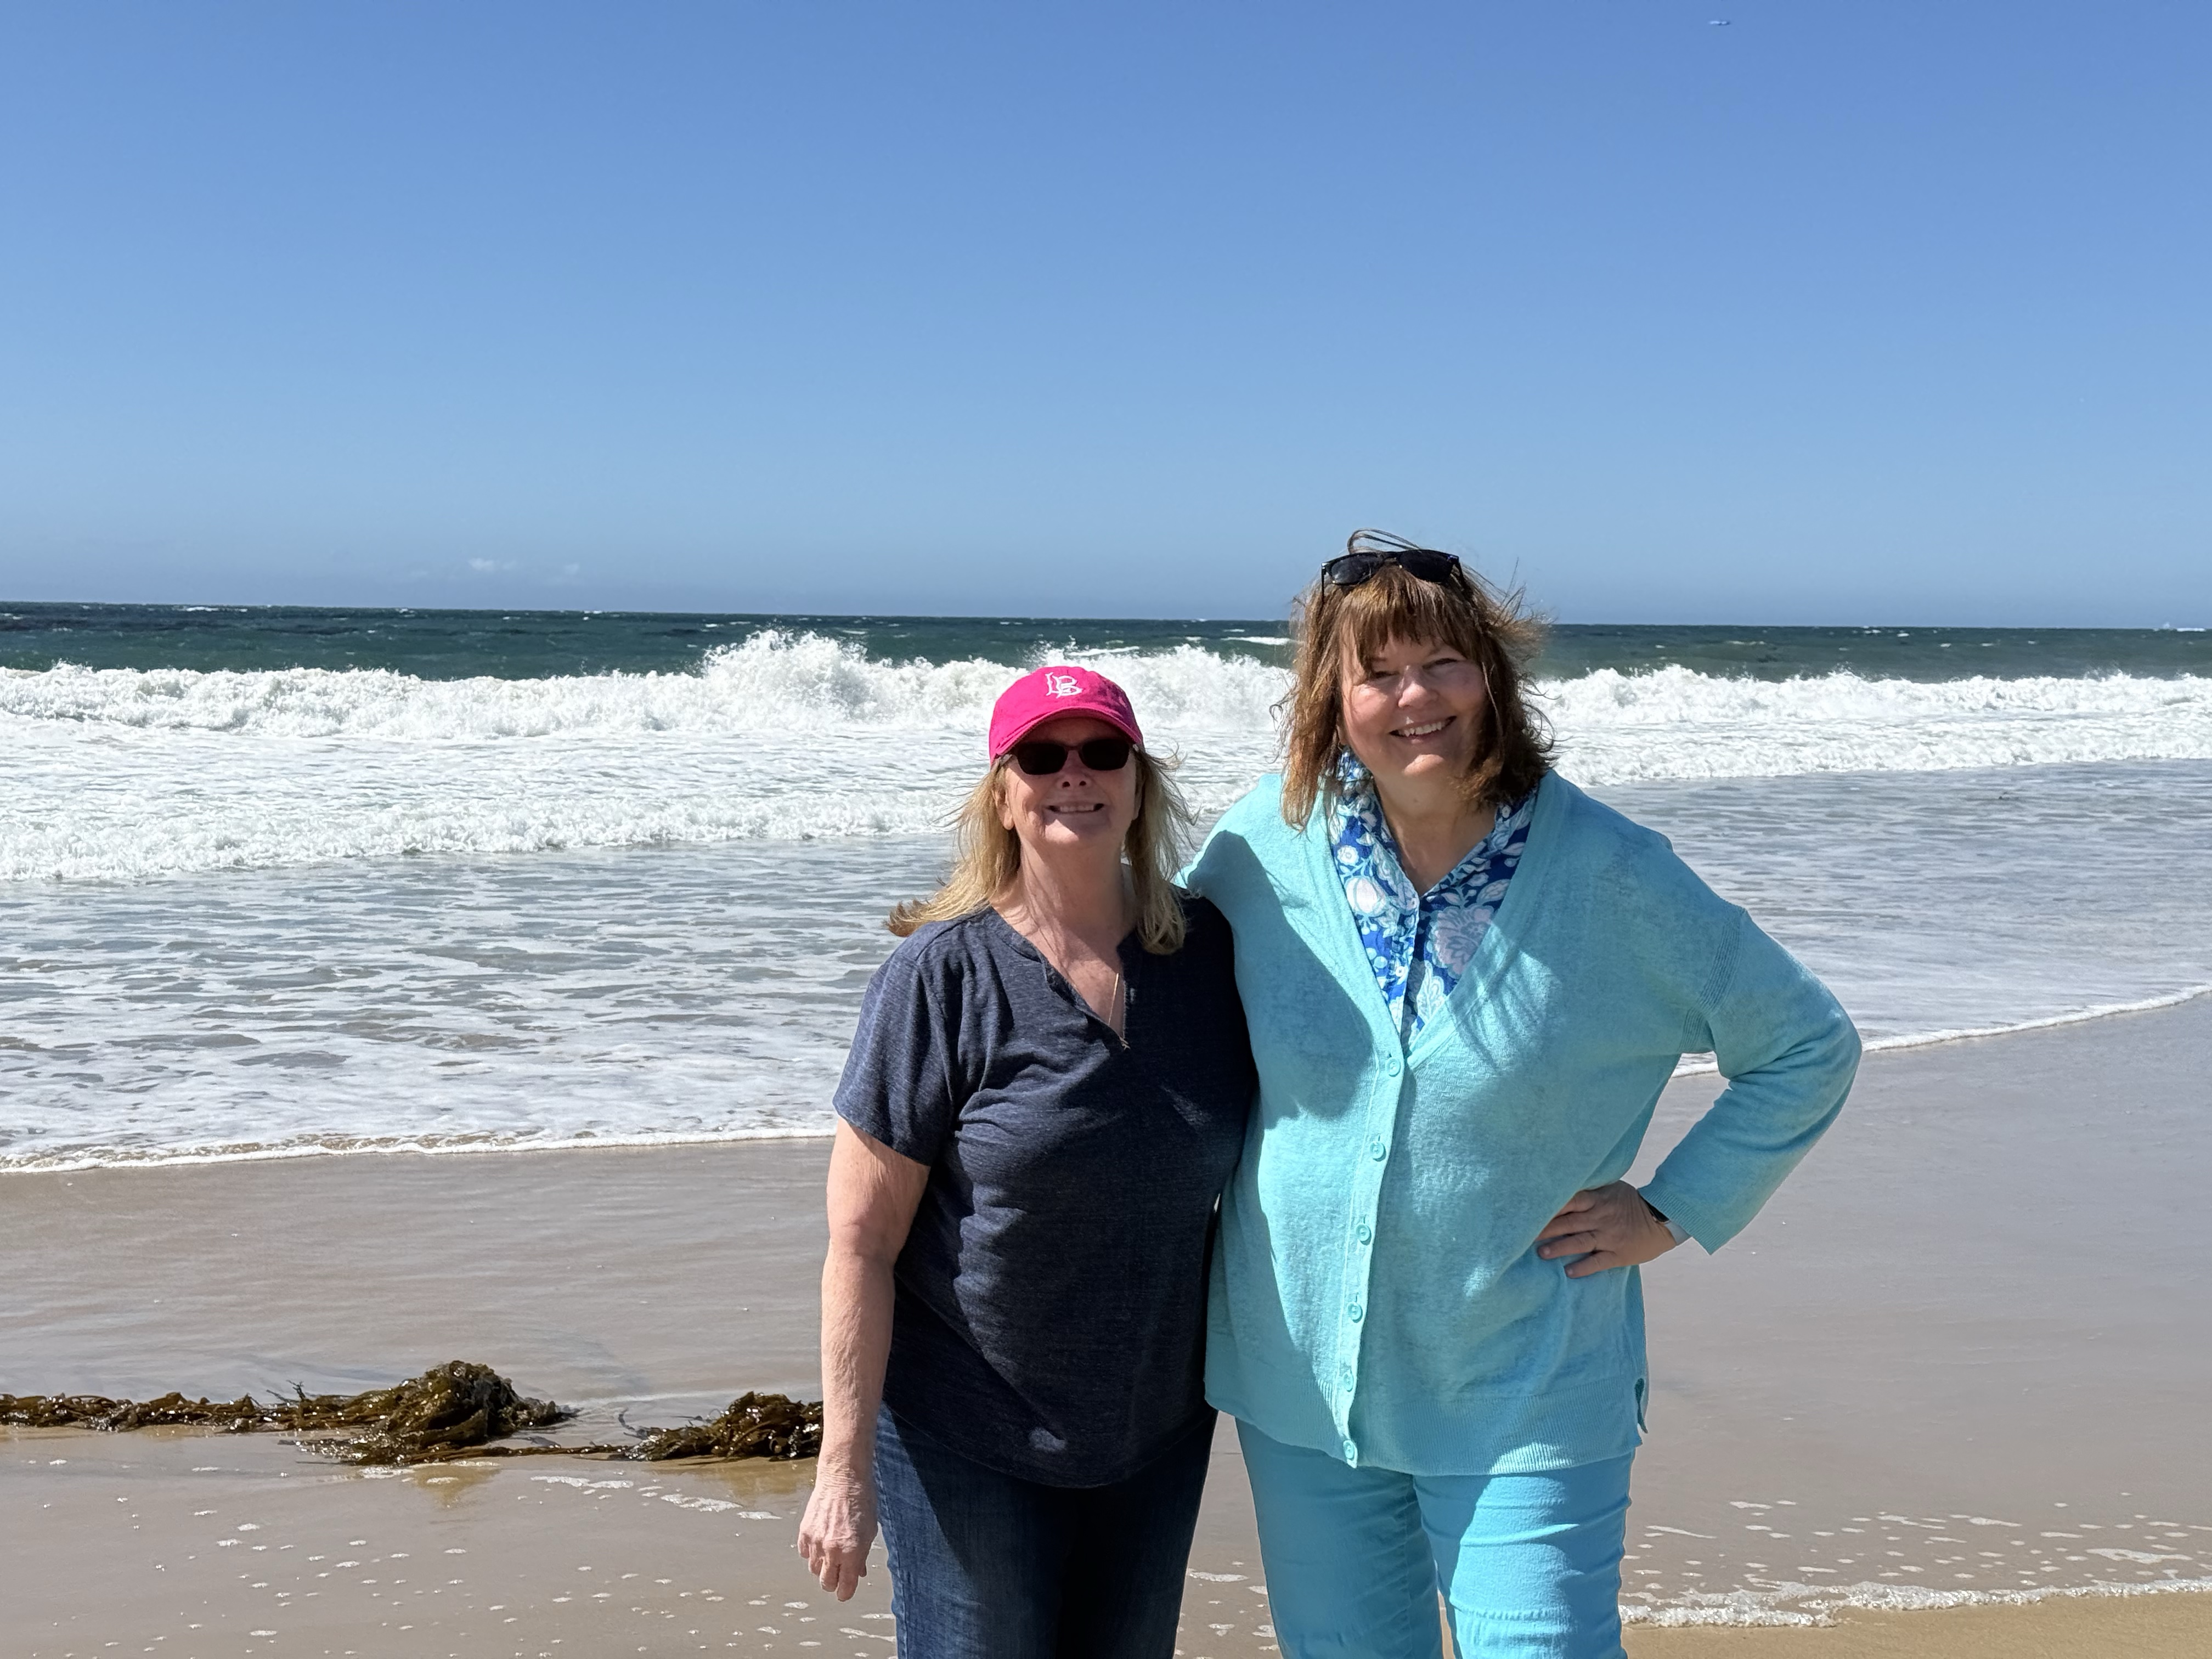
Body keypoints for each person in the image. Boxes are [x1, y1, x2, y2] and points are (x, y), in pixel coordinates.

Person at [1180, 532, 1861, 1659]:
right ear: (1332, 701)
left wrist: (1673, 1207)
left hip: (1526, 1385)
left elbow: (1805, 1044)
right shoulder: (1265, 843)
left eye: (1442, 663)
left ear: (1492, 677)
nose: (1414, 698)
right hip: (1300, 1385)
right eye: (1376, 672)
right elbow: (1152, 986)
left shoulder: (1613, 873)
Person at [796, 664, 1257, 1658]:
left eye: (1103, 752)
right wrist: (842, 1471)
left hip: (1158, 1434)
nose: (1073, 775)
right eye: (1041, 757)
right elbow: (861, 1244)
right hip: (969, 1436)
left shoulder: (1212, 956)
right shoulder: (941, 977)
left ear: (1140, 784)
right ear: (1002, 796)